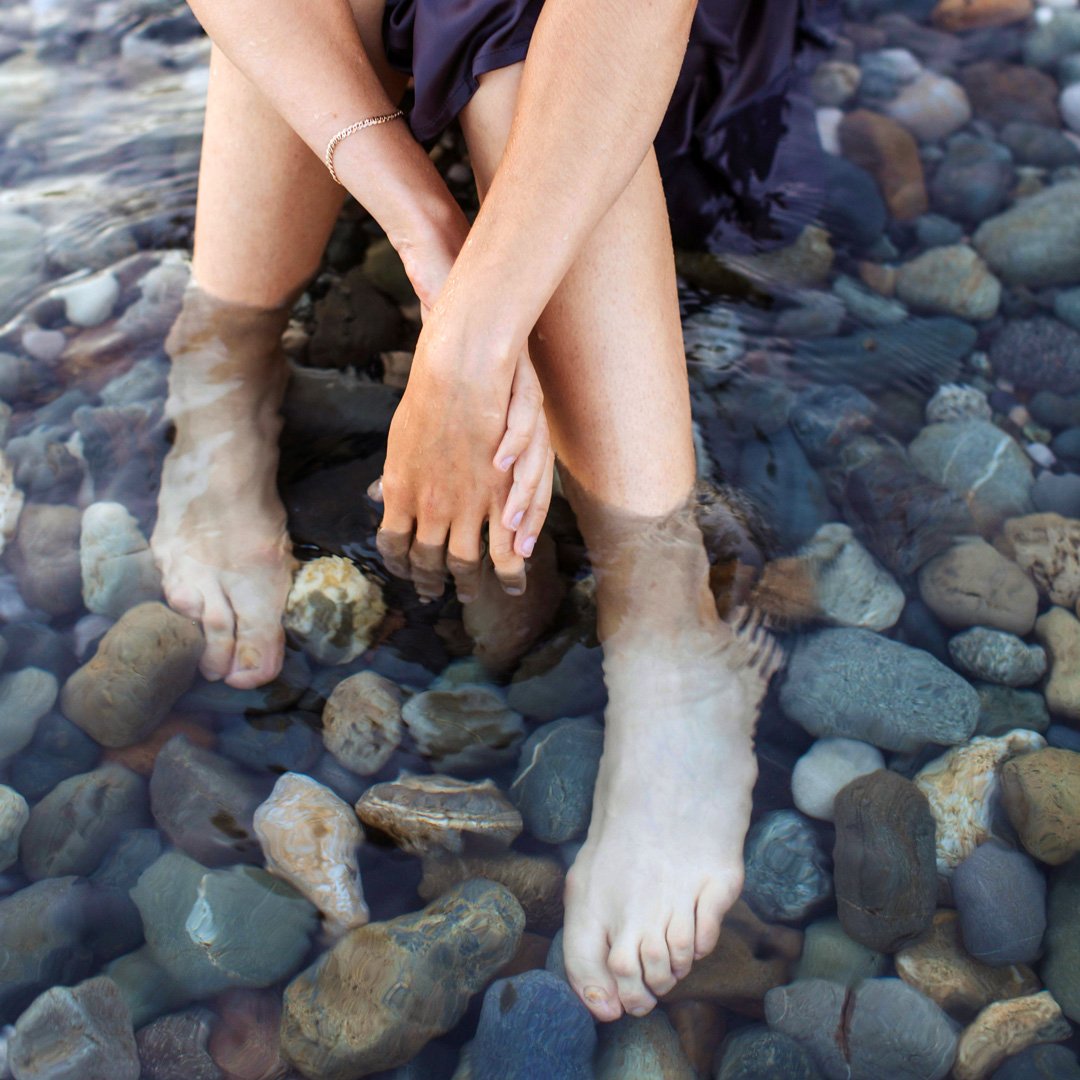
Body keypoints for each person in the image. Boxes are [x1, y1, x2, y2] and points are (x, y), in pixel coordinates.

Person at [151, 0, 835, 1023]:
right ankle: (222, 375)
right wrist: (430, 242)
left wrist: (470, 349)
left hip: (630, 56)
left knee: (503, 46)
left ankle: (665, 615)